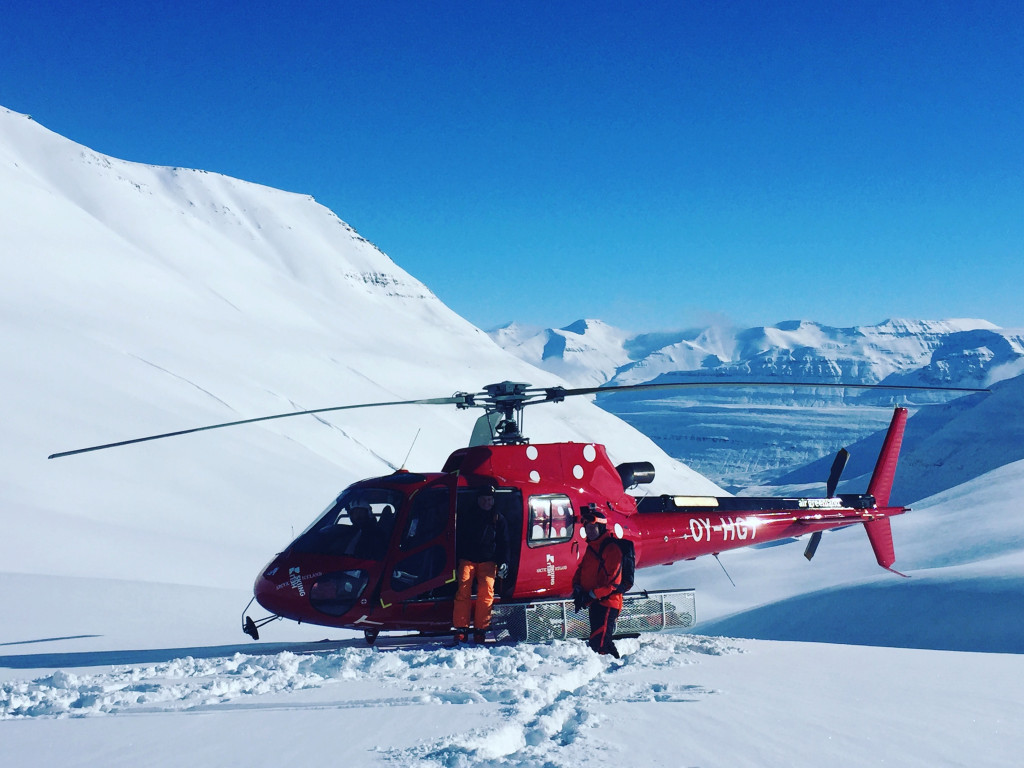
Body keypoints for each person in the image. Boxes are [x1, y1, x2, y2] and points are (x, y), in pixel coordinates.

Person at [453, 485, 510, 644]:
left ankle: (481, 630)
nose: (487, 502)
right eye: (484, 499)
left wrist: (504, 562)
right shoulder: (467, 516)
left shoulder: (498, 518)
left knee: (486, 594)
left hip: (488, 561)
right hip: (467, 559)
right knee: (463, 590)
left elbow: (504, 542)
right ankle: (461, 629)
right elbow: (458, 538)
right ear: (478, 500)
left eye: (490, 499)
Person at [572, 507, 623, 658]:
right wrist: (577, 589)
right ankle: (617, 666)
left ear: (601, 527)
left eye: (593, 528)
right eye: (587, 528)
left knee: (599, 643)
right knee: (602, 641)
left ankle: (609, 674)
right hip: (595, 602)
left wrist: (592, 594)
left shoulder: (612, 549)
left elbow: (613, 584)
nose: (589, 531)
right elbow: (582, 570)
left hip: (608, 603)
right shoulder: (591, 548)